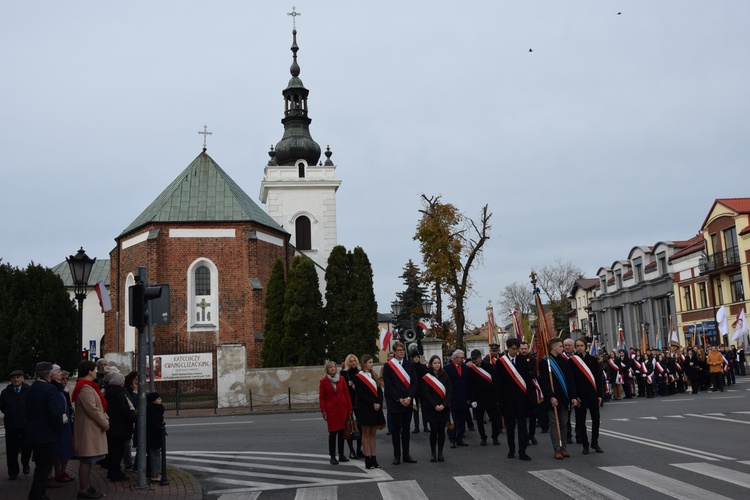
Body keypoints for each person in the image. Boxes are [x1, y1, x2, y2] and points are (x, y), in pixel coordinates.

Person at [25, 361, 65, 500]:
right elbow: (55, 414)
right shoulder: (50, 390)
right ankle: (36, 495)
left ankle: (40, 493)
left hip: (34, 433)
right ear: (50, 374)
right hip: (47, 434)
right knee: (44, 468)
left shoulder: (32, 388)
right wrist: (58, 428)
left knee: (40, 466)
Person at [72, 359, 109, 499]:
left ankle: (86, 487)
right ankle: (83, 490)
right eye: (94, 370)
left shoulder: (86, 386)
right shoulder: (85, 387)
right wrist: (104, 423)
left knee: (89, 460)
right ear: (89, 371)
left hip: (90, 428)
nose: (95, 372)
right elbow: (92, 410)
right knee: (86, 460)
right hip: (89, 429)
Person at [539, 338, 579, 460]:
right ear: (554, 347)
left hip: (564, 397)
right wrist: (551, 396)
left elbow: (571, 380)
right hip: (552, 398)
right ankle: (557, 449)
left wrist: (573, 396)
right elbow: (544, 382)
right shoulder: (545, 362)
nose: (563, 348)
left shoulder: (564, 361)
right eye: (561, 346)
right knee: (554, 424)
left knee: (563, 423)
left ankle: (564, 447)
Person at [494, 338, 532, 461]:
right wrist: (500, 401)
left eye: (517, 349)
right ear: (508, 348)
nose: (515, 351)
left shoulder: (522, 361)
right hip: (508, 400)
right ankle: (511, 449)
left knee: (522, 427)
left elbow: (527, 381)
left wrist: (528, 399)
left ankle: (522, 451)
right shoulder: (501, 362)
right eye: (513, 349)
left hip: (521, 400)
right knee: (510, 427)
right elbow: (498, 383)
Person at [383, 341, 418, 465]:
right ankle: (397, 455)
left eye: (403, 350)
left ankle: (406, 454)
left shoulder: (410, 365)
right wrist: (399, 399)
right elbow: (389, 385)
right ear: (394, 352)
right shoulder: (388, 366)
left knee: (406, 429)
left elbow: (414, 382)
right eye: (399, 350)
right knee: (396, 430)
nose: (401, 352)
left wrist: (408, 397)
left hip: (407, 402)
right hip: (395, 403)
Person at [570, 338, 604, 454]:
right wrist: (574, 395)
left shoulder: (593, 360)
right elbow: (572, 380)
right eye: (577, 346)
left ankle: (595, 442)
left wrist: (600, 395)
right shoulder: (572, 361)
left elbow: (598, 379)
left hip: (592, 394)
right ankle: (585, 444)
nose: (579, 347)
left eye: (581, 345)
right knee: (581, 421)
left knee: (596, 420)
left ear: (585, 346)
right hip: (580, 395)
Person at [353, 354, 385, 469]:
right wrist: (373, 403)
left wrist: (379, 404)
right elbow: (361, 395)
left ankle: (373, 457)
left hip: (376, 408)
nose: (372, 364)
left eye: (372, 362)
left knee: (373, 434)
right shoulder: (358, 377)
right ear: (364, 364)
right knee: (365, 433)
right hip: (366, 409)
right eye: (370, 362)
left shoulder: (374, 376)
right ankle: (367, 458)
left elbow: (380, 392)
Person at [319, 360, 352, 465]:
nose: (333, 368)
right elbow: (322, 397)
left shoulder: (341, 379)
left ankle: (341, 454)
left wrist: (349, 408)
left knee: (342, 434)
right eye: (330, 367)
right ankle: (332, 456)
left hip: (342, 409)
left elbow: (346, 394)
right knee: (332, 434)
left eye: (334, 367)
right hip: (332, 411)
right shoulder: (323, 381)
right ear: (327, 370)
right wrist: (323, 410)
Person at [1, 369, 32, 481]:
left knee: (27, 447)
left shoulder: (28, 390)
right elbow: (3, 408)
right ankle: (13, 472)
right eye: (13, 378)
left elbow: (31, 406)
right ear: (11, 380)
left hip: (26, 425)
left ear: (23, 379)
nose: (16, 379)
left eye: (18, 377)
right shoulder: (5, 392)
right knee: (11, 450)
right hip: (11, 425)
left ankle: (25, 464)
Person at [421, 355, 452, 463]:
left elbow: (449, 392)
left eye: (438, 363)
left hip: (443, 408)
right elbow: (426, 393)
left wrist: (444, 404)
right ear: (431, 364)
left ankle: (440, 453)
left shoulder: (445, 376)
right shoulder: (427, 377)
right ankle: (433, 452)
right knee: (434, 430)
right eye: (435, 363)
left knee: (441, 431)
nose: (437, 365)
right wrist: (435, 405)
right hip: (432, 408)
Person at [104, 371, 135, 481]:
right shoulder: (120, 394)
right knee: (118, 453)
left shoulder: (107, 393)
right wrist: (132, 418)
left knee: (112, 452)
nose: (124, 383)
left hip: (111, 426)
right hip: (120, 427)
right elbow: (125, 411)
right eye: (122, 381)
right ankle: (115, 474)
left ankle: (112, 472)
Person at [467, 349, 500, 446]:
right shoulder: (471, 370)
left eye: (476, 359)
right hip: (478, 398)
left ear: (480, 358)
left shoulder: (489, 367)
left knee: (494, 419)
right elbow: (470, 386)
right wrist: (472, 399)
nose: (474, 361)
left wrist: (497, 396)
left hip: (490, 397)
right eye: (473, 359)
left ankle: (495, 437)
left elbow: (495, 382)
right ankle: (483, 437)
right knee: (480, 420)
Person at [51, 365, 75, 483]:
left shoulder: (65, 391)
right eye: (63, 379)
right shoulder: (57, 390)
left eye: (67, 379)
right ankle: (57, 472)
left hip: (67, 422)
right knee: (58, 449)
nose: (65, 381)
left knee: (66, 447)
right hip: (60, 423)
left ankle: (62, 470)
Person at [340, 354, 364, 459]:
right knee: (349, 428)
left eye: (355, 361)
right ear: (347, 362)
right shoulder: (344, 373)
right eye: (351, 361)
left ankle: (359, 449)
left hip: (359, 403)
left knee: (361, 427)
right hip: (348, 403)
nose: (353, 363)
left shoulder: (360, 372)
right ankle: (351, 450)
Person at [445, 349, 470, 448]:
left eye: (463, 358)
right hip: (452, 398)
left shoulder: (465, 368)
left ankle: (460, 438)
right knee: (453, 419)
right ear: (455, 358)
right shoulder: (447, 368)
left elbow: (468, 383)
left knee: (462, 419)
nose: (463, 360)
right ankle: (452, 439)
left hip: (463, 398)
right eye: (461, 358)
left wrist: (469, 397)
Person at [146, 392, 166, 480]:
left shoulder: (154, 409)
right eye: (158, 399)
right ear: (153, 401)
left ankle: (153, 472)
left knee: (154, 454)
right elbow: (155, 424)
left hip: (153, 435)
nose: (160, 400)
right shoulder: (153, 410)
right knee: (155, 454)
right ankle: (155, 474)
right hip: (153, 436)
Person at [123, 371, 139, 470]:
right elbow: (132, 405)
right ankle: (128, 463)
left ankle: (129, 462)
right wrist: (135, 392)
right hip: (127, 420)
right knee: (126, 442)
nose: (137, 382)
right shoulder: (126, 390)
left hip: (133, 420)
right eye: (136, 379)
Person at [410, 351, 428, 434]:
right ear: (412, 358)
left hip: (423, 390)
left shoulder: (423, 366)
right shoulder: (410, 367)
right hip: (414, 390)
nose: (416, 358)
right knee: (415, 409)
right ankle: (416, 427)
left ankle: (425, 426)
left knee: (424, 409)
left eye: (417, 357)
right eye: (415, 357)